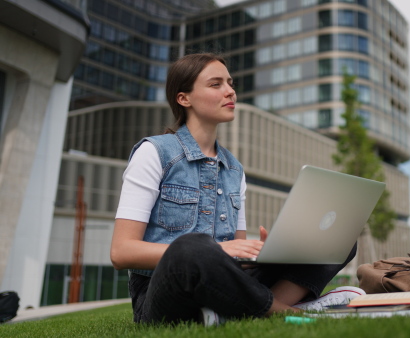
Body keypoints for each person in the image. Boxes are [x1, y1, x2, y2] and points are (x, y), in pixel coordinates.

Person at [110, 53, 363, 326]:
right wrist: (219, 249)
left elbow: (237, 260)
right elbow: (122, 252)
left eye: (230, 83)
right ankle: (287, 312)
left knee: (339, 237)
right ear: (184, 99)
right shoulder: (153, 152)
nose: (230, 91)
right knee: (192, 247)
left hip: (224, 288)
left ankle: (241, 313)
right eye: (216, 84)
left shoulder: (234, 169)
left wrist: (264, 254)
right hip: (163, 298)